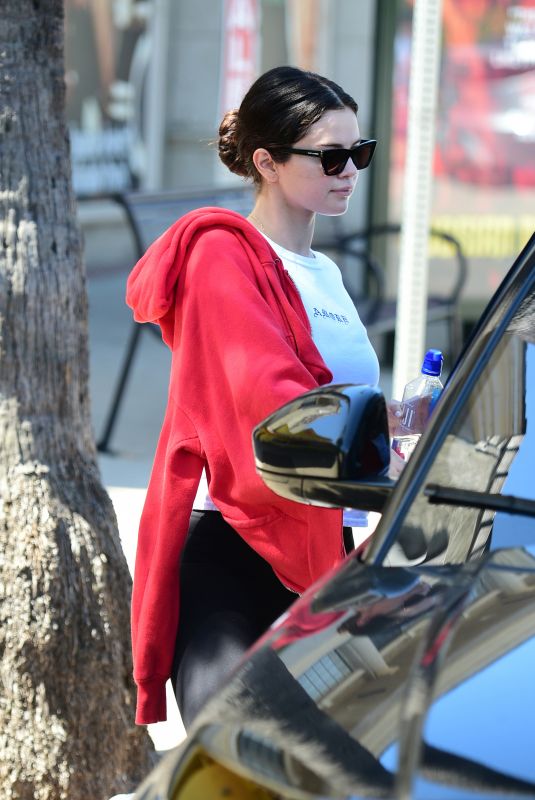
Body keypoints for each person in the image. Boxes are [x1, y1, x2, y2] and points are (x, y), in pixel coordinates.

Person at [126, 65, 397, 730]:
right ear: (266, 162)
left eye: (358, 154)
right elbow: (265, 399)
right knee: (239, 757)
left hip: (319, 546)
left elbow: (348, 403)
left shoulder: (325, 274)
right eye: (330, 155)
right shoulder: (220, 255)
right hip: (233, 543)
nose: (349, 170)